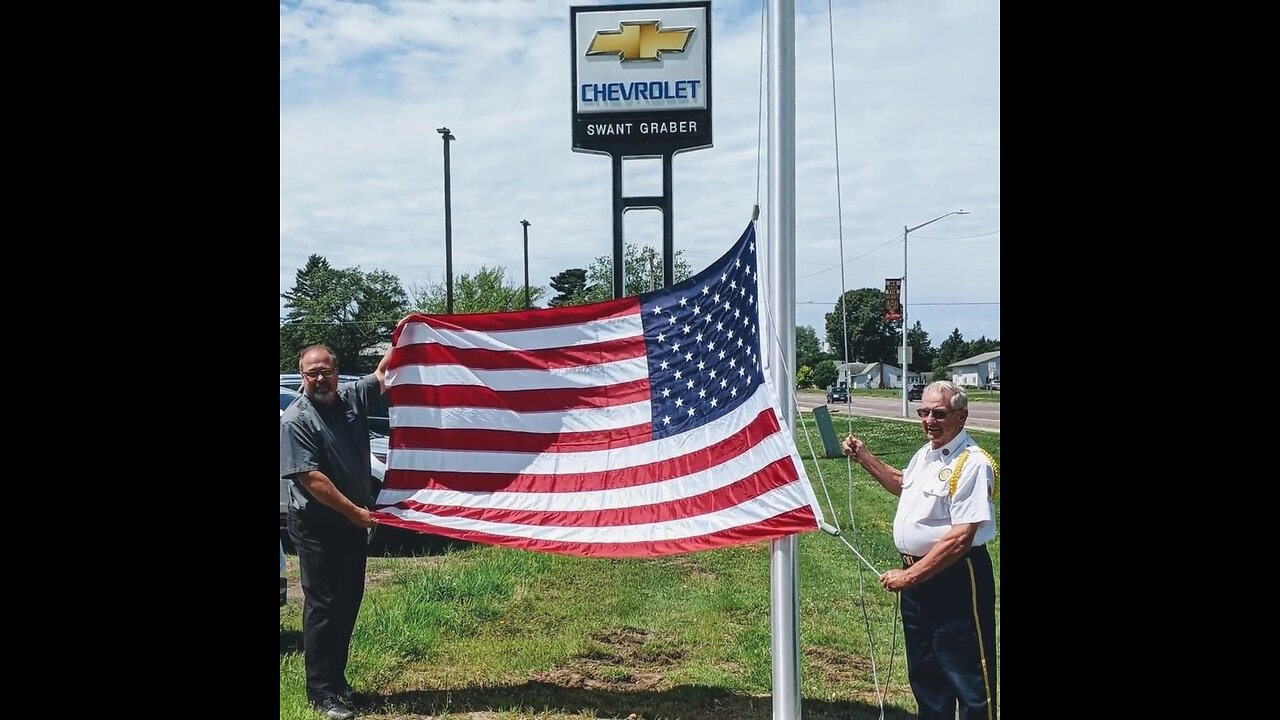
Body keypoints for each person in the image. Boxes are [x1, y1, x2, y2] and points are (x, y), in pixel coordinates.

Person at [841, 380, 999, 720]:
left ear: (962, 416)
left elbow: (961, 537)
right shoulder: (925, 454)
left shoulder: (972, 463)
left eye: (939, 414)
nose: (930, 420)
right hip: (917, 584)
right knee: (926, 677)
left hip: (955, 578)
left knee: (968, 677)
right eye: (924, 412)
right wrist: (864, 457)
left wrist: (909, 575)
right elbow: (903, 484)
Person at [281, 343, 393, 720]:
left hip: (349, 524)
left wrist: (406, 335)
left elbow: (382, 376)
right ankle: (321, 693)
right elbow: (312, 479)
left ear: (335, 370)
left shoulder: (349, 398)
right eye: (312, 373)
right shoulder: (296, 419)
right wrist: (354, 512)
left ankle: (338, 681)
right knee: (323, 608)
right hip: (317, 527)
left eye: (325, 370)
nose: (320, 378)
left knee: (348, 603)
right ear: (303, 377)